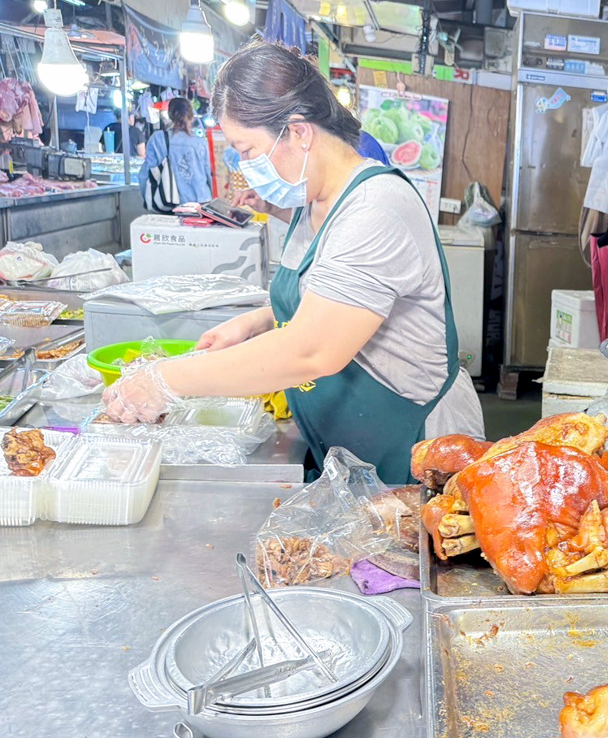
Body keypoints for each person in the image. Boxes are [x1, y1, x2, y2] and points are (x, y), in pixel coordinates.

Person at [104, 42, 484, 485]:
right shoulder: (317, 200)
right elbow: (336, 299)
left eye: (248, 151)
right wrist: (258, 321)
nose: (246, 168)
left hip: (412, 447)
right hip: (351, 441)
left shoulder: (375, 210)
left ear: (299, 133)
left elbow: (311, 349)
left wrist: (163, 380)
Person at [137, 97, 213, 205]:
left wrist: (149, 199)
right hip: (201, 203)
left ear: (170, 115)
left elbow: (144, 175)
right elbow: (210, 176)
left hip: (169, 203)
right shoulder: (201, 143)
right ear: (191, 116)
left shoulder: (157, 139)